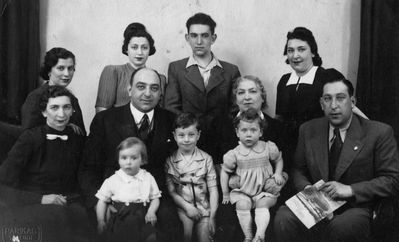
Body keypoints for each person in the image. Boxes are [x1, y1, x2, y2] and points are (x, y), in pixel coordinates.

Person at [273, 78, 399, 242]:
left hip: (355, 206)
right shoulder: (309, 129)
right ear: (321, 103)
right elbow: (298, 169)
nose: (333, 105)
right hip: (316, 202)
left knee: (342, 226)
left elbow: (392, 180)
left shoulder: (379, 132)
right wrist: (308, 189)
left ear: (352, 101)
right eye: (327, 99)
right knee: (284, 217)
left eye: (340, 98)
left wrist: (350, 189)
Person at [79, 67, 181, 242]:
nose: (148, 93)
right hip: (117, 198)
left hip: (156, 198)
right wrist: (100, 204)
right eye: (141, 87)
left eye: (154, 88)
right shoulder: (105, 120)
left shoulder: (171, 121)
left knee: (172, 230)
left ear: (160, 93)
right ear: (129, 90)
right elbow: (88, 169)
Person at [0, 86, 93, 242]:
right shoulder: (30, 139)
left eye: (66, 107)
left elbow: (85, 177)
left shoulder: (78, 140)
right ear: (44, 112)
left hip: (70, 206)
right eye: (54, 107)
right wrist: (40, 199)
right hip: (34, 206)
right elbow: (3, 185)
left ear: (72, 111)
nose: (61, 114)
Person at [275, 27, 366, 172]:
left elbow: (349, 109)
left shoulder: (327, 76)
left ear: (313, 52)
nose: (295, 55)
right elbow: (279, 119)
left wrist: (371, 130)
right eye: (290, 50)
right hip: (289, 148)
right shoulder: (284, 81)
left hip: (320, 147)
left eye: (301, 49)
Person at [164, 12, 240, 154]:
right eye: (194, 36)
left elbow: (235, 109)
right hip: (188, 143)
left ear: (213, 38)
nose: (199, 42)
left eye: (205, 36)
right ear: (187, 38)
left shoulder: (231, 70)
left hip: (222, 143)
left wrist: (222, 130)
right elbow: (171, 107)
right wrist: (189, 131)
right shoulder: (176, 68)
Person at [220, 108, 286, 242]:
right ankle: (248, 235)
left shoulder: (268, 147)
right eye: (244, 130)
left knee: (263, 204)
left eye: (253, 130)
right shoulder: (235, 153)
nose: (248, 135)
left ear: (261, 132)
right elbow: (224, 172)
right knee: (241, 205)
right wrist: (225, 193)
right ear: (237, 132)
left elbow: (278, 159)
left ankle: (259, 235)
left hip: (264, 191)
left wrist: (278, 173)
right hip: (244, 192)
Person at [165, 112, 219, 242]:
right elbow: (171, 191)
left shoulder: (206, 159)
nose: (186, 139)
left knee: (206, 237)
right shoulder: (170, 161)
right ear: (174, 136)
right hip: (183, 208)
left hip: (204, 208)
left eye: (191, 134)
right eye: (181, 135)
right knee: (186, 235)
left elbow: (213, 190)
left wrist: (212, 216)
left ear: (198, 135)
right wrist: (187, 207)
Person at [96, 137, 161, 242]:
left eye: (134, 158)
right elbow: (102, 201)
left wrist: (151, 212)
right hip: (121, 218)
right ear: (118, 159)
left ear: (143, 160)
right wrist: (101, 220)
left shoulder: (147, 177)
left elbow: (155, 198)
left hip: (143, 217)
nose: (128, 162)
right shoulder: (113, 179)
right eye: (124, 158)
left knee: (151, 237)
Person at [95, 22, 167, 112]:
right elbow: (101, 113)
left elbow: (161, 113)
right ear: (126, 49)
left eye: (144, 48)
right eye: (134, 47)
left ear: (150, 50)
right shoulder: (113, 72)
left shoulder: (160, 78)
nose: (140, 52)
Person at [21, 47, 85, 135]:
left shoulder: (72, 99)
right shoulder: (36, 97)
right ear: (49, 71)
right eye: (61, 68)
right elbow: (27, 135)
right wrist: (64, 127)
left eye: (70, 68)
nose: (67, 74)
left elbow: (81, 134)